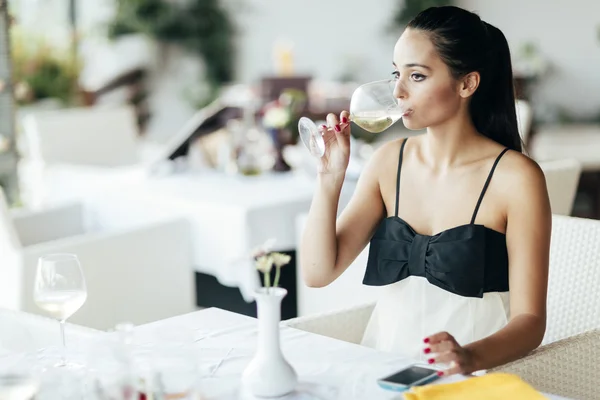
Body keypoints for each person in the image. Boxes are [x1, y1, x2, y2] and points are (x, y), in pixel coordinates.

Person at [299, 6, 551, 377]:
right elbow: (317, 273)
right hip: (387, 367)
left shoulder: (516, 178)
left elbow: (531, 321)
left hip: (474, 374)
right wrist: (330, 178)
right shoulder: (388, 162)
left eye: (416, 76)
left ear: (467, 84)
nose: (398, 91)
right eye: (395, 73)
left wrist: (469, 358)